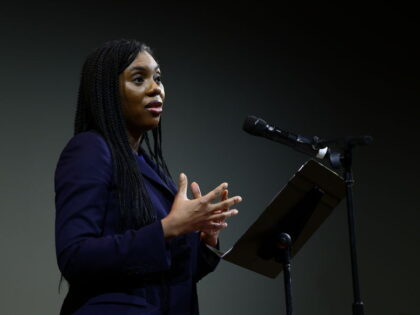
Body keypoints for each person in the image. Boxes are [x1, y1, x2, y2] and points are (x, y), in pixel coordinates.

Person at [54, 39, 242, 315]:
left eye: (157, 78)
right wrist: (168, 228)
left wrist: (205, 238)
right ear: (108, 92)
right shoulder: (90, 149)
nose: (156, 89)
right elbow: (75, 256)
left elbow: (167, 272)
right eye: (139, 79)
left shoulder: (146, 166)